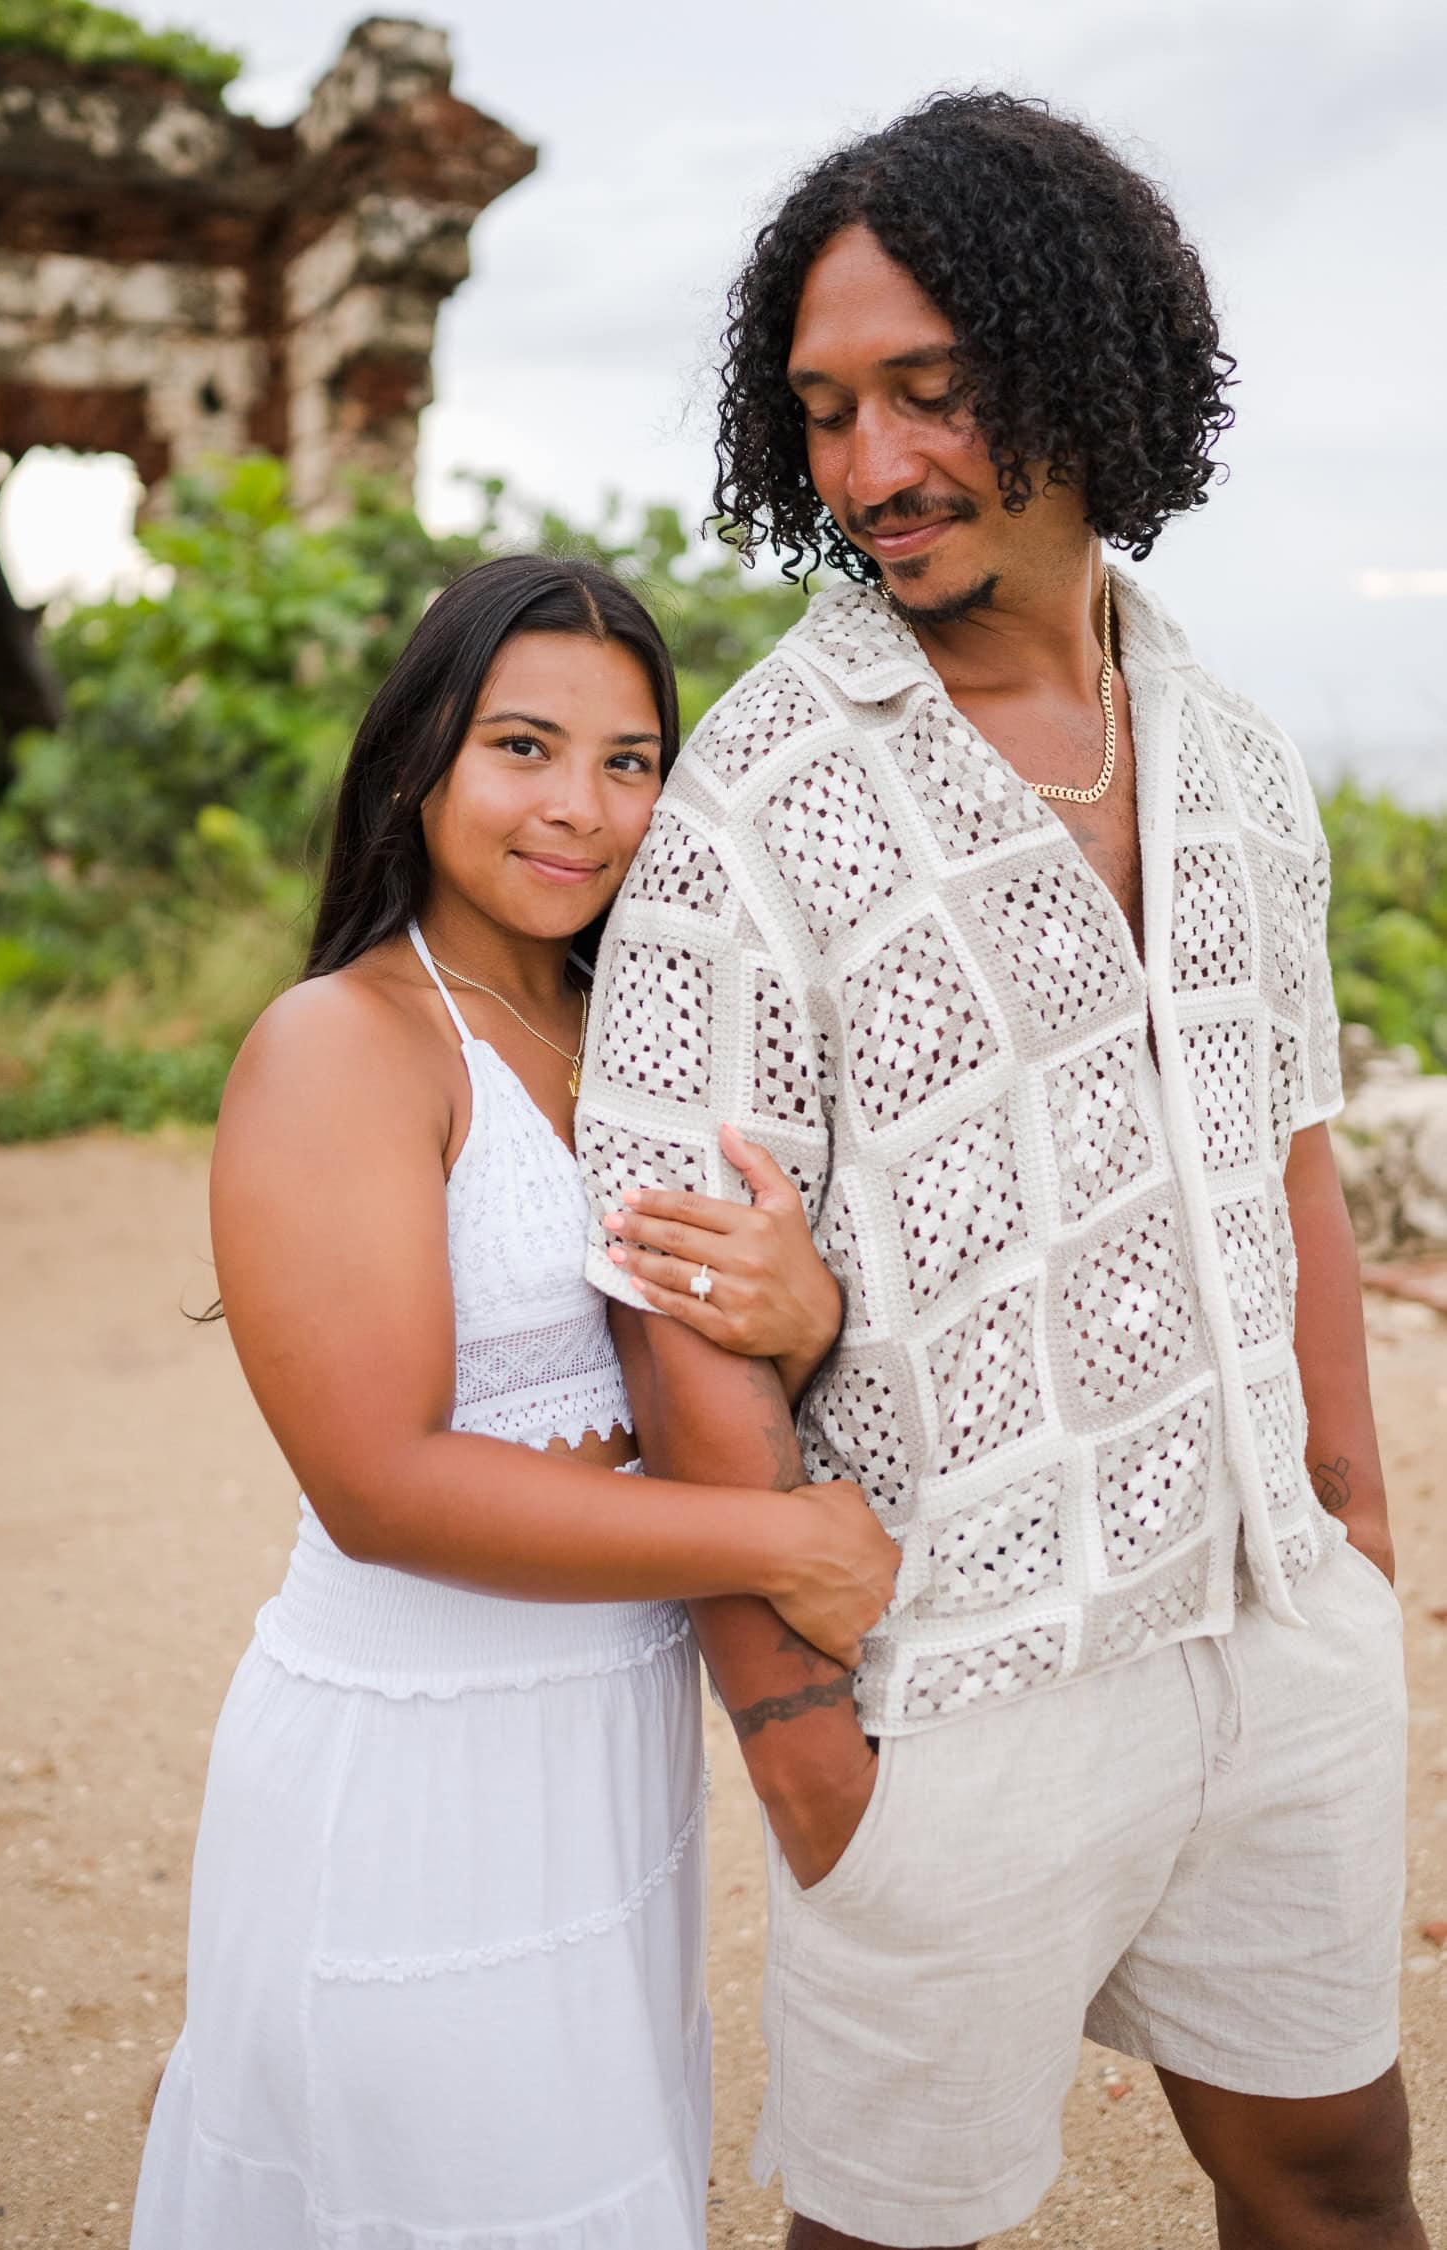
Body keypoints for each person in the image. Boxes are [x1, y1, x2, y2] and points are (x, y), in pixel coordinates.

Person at [578, 93, 1420, 2250]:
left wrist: (1349, 1525)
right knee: (895, 2238)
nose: (871, 468)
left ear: (1077, 360)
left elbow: (1289, 1146)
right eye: (828, 411)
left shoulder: (1225, 749)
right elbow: (676, 1277)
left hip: (1272, 1622)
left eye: (929, 393)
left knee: (1332, 2178)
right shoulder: (760, 805)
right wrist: (792, 1728)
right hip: (956, 1685)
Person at [129, 553, 899, 2250]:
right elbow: (380, 1483)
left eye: (630, 762)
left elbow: (723, 1348)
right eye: (524, 747)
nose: (583, 809)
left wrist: (811, 1305)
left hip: (602, 1747)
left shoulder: (634, 1025)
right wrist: (781, 1542)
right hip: (415, 1761)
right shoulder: (345, 1044)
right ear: (421, 761)